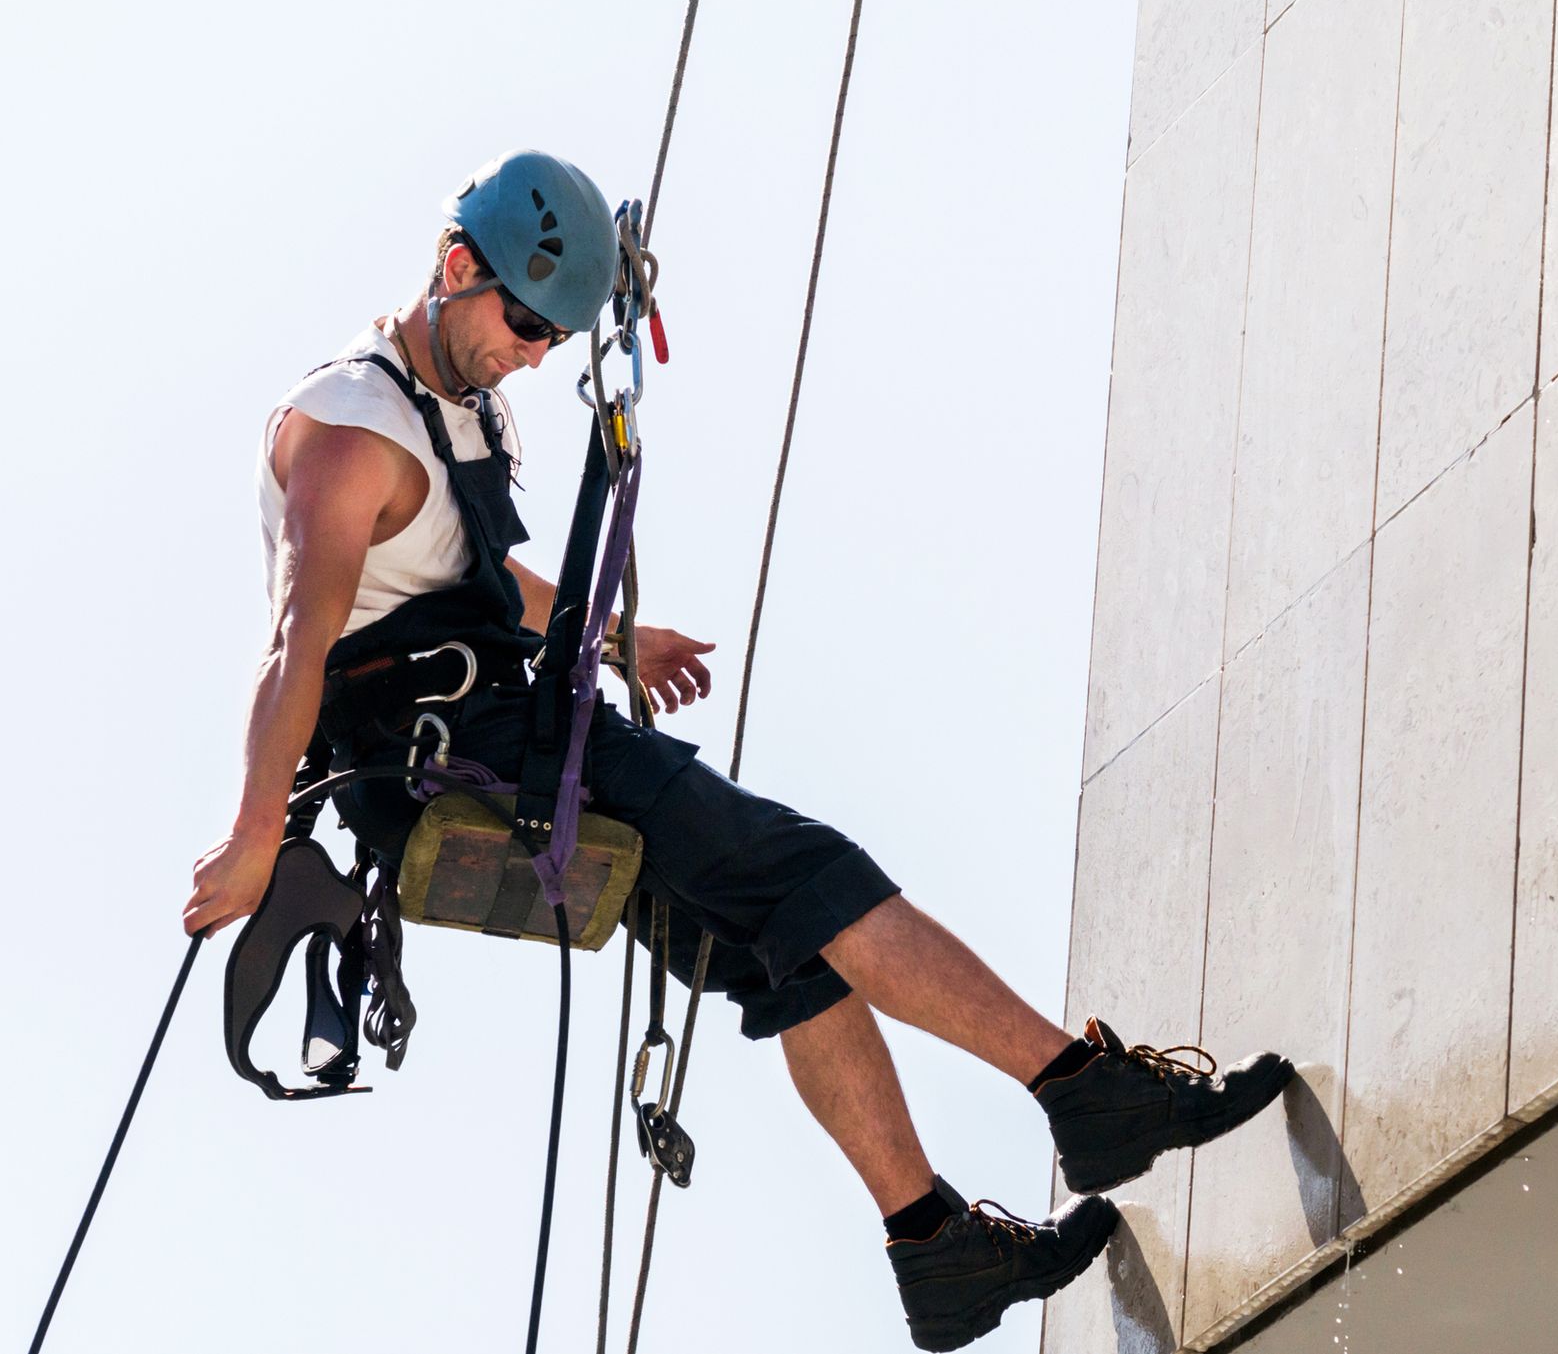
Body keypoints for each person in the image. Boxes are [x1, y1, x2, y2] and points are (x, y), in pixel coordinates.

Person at [182, 148, 1293, 1351]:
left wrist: (612, 633)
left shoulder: (460, 400)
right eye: (524, 324)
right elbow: (300, 636)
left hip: (506, 730)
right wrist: (253, 839)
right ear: (458, 269)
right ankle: (1087, 1091)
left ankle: (936, 1250)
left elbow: (461, 568)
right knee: (802, 871)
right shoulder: (348, 429)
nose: (538, 356)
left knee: (781, 951)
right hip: (467, 748)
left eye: (556, 338)